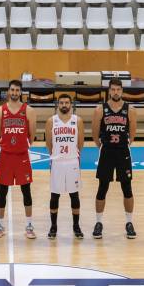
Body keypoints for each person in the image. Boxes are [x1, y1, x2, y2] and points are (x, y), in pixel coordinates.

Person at [92, 78, 138, 239]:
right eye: (113, 89)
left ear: (122, 91)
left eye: (118, 89)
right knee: (102, 188)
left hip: (122, 152)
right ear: (109, 91)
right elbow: (95, 135)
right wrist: (103, 146)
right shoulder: (100, 110)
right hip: (107, 153)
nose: (116, 92)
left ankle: (129, 222)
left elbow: (132, 135)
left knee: (127, 188)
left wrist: (123, 146)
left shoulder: (130, 110)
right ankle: (98, 222)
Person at [0, 79, 37, 239]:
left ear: (21, 92)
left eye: (17, 90)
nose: (15, 93)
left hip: (22, 156)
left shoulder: (29, 110)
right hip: (6, 156)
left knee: (26, 191)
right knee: (2, 191)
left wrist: (21, 145)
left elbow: (32, 135)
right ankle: (0, 226)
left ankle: (29, 225)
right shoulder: (0, 111)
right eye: (12, 90)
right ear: (8, 91)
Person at [45, 93, 84, 239]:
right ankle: (53, 226)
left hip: (72, 161)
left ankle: (76, 226)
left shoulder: (77, 120)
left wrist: (73, 154)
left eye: (67, 102)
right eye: (61, 103)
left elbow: (80, 143)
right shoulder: (51, 121)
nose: (64, 105)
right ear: (58, 104)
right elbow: (49, 144)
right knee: (54, 195)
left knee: (74, 195)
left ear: (71, 104)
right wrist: (56, 155)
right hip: (57, 162)